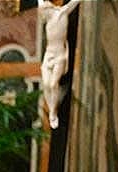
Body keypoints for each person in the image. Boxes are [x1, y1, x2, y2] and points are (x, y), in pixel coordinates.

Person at [38, 0, 80, 129]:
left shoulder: (62, 13)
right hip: (48, 55)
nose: (42, 14)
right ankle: (52, 108)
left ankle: (53, 113)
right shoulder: (48, 19)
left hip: (60, 55)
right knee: (46, 84)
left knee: (53, 84)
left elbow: (75, 2)